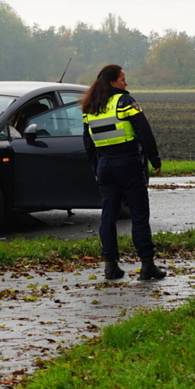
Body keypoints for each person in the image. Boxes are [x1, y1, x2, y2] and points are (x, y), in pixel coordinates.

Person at [81, 64, 166, 281]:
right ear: (113, 83)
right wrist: (154, 158)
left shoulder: (90, 107)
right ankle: (147, 266)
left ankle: (111, 266)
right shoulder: (124, 102)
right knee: (139, 215)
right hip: (128, 162)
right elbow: (143, 130)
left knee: (108, 215)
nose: (125, 84)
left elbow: (88, 142)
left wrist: (95, 168)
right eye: (122, 80)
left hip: (105, 165)